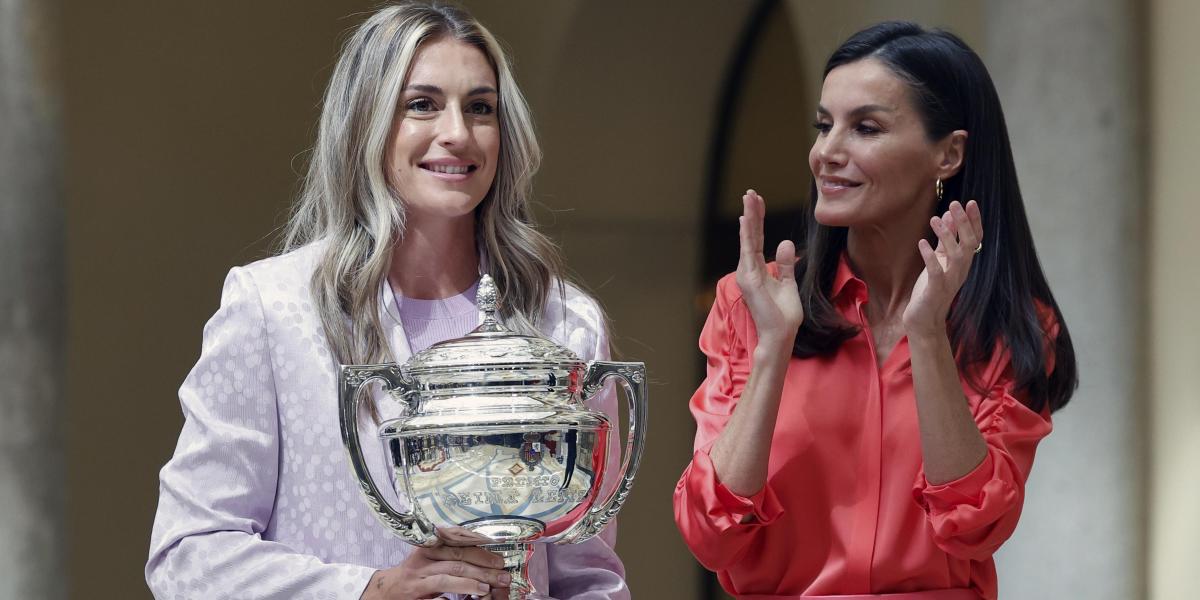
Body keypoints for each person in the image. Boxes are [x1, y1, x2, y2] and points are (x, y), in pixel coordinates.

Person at [146, 4, 629, 599]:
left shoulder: (564, 322)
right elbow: (188, 555)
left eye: (480, 107)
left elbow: (589, 578)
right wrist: (371, 591)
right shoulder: (272, 309)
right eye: (421, 104)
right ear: (364, 123)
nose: (457, 132)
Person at [673, 21, 1078, 600]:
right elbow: (709, 536)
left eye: (865, 127)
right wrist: (772, 351)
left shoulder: (1011, 326)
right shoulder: (751, 302)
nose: (826, 153)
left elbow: (976, 527)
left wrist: (929, 336)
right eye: (823, 126)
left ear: (949, 153)